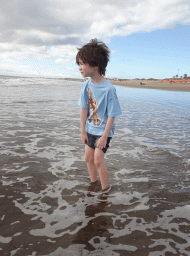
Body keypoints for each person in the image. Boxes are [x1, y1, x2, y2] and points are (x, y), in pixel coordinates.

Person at [77, 39, 122, 193]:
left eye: (82, 64)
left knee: (97, 160)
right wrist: (82, 131)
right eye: (79, 64)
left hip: (103, 130)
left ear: (95, 65)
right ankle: (93, 182)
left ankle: (104, 191)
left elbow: (112, 115)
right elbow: (84, 109)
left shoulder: (108, 89)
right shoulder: (86, 85)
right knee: (88, 158)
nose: (79, 68)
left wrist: (104, 137)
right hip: (90, 128)